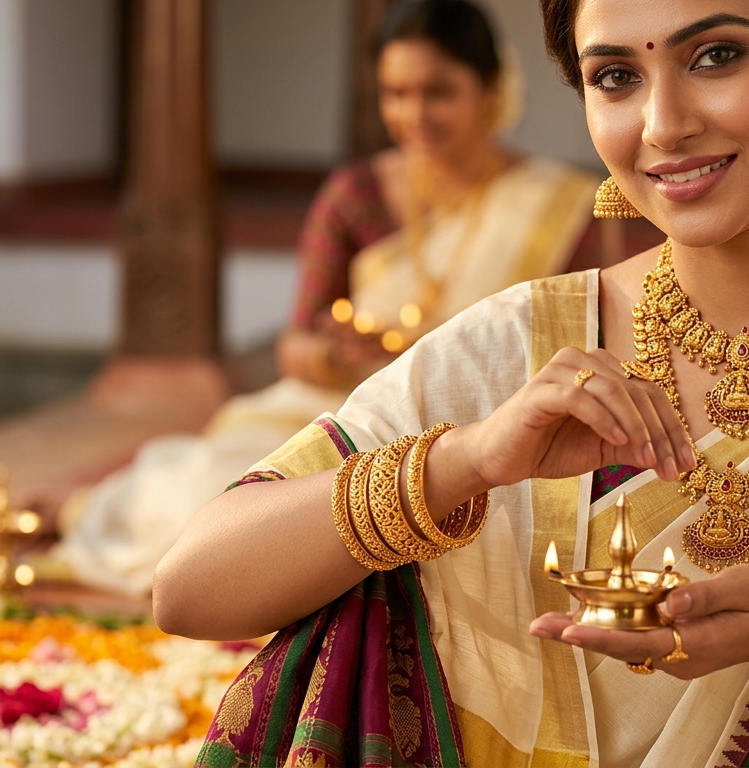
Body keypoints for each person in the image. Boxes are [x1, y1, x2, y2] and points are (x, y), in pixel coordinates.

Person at [157, 0, 749, 765]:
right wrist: (465, 464)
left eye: (717, 55)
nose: (663, 124)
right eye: (615, 77)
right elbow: (191, 591)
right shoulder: (518, 346)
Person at [51, 0, 610, 594]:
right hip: (347, 411)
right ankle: (79, 508)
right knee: (214, 498)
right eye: (396, 92)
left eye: (438, 91)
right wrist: (338, 359)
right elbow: (297, 343)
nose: (414, 112)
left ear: (491, 88)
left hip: (488, 427)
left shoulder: (559, 206)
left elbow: (568, 346)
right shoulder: (357, 194)